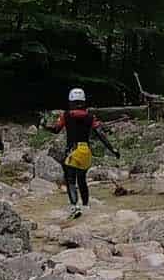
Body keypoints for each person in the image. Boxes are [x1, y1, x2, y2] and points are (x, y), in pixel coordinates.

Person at [49, 88, 116, 216]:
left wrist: (45, 126)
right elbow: (101, 135)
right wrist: (112, 149)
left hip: (73, 151)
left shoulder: (66, 115)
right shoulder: (91, 117)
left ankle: (74, 207)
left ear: (71, 102)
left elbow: (56, 129)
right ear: (83, 102)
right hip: (86, 152)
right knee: (82, 180)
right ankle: (86, 206)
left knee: (70, 180)